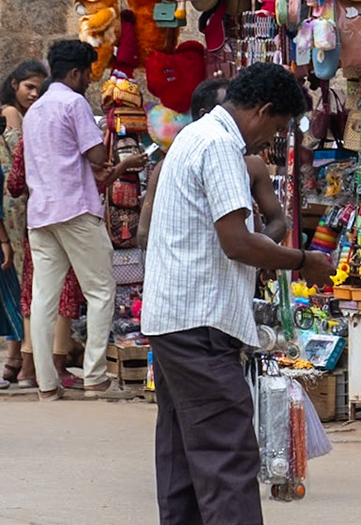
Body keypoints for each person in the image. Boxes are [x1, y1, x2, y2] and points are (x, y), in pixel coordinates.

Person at [142, 62, 334, 525]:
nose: (269, 141)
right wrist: (304, 261)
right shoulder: (222, 144)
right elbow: (236, 242)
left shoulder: (195, 136)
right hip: (200, 321)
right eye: (275, 130)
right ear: (263, 112)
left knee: (183, 457)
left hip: (175, 316)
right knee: (228, 455)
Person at [22, 39, 146, 401]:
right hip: (74, 209)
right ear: (74, 73)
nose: (90, 80)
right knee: (101, 290)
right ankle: (94, 376)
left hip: (42, 213)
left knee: (44, 299)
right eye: (88, 73)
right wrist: (119, 162)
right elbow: (94, 154)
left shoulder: (35, 110)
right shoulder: (73, 103)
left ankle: (47, 384)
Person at [138, 79, 289, 250]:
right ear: (206, 115)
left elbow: (277, 222)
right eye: (229, 111)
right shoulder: (176, 161)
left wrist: (254, 252)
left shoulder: (252, 164)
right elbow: (144, 234)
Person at [0, 58, 47, 390]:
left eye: (38, 88)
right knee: (20, 276)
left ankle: (14, 361)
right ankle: (15, 361)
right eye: (29, 86)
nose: (34, 93)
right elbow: (21, 156)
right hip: (14, 204)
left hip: (18, 200)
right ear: (14, 84)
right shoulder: (12, 113)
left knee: (21, 278)